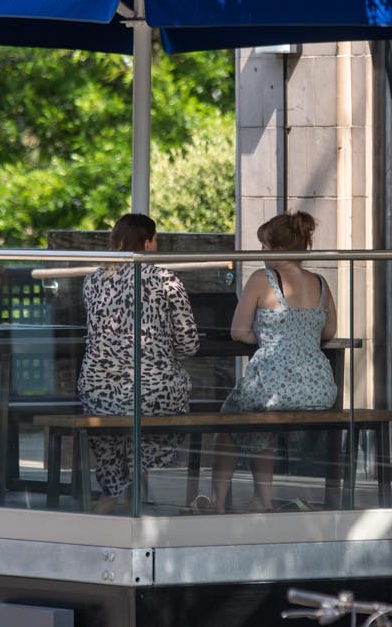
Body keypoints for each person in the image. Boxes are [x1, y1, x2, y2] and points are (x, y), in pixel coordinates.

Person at [206, 209, 337, 513]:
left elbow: (238, 332)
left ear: (278, 249)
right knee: (258, 420)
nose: (261, 252)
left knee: (229, 419)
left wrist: (265, 336)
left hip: (274, 385)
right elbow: (329, 332)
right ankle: (261, 499)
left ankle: (219, 501)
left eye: (264, 246)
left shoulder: (261, 279)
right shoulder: (320, 282)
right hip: (319, 388)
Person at [77, 213, 200, 513]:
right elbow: (189, 344)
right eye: (155, 240)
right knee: (163, 403)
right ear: (147, 243)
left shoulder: (93, 280)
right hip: (152, 391)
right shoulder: (165, 280)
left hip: (97, 390)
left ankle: (113, 493)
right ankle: (131, 485)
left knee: (117, 423)